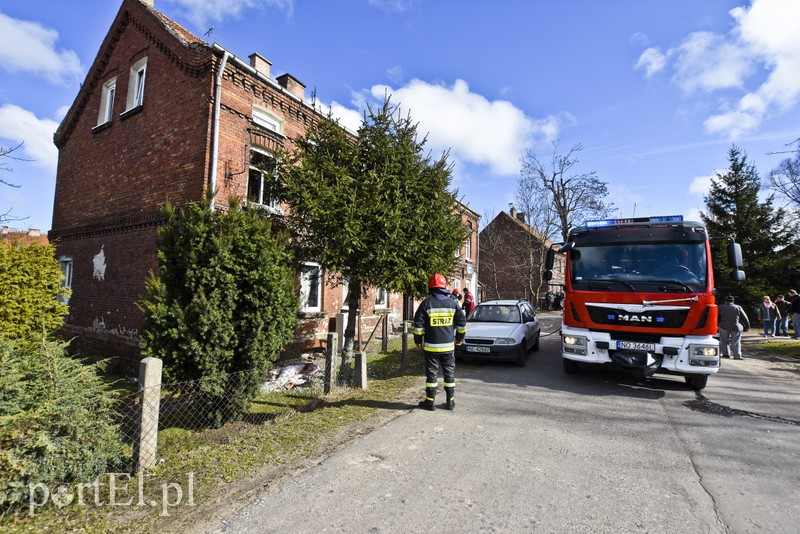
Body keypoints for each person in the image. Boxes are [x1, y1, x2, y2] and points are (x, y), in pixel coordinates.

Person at [413, 274, 467, 411]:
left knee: (432, 374)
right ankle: (450, 402)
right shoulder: (452, 303)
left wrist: (418, 340)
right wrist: (460, 338)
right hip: (448, 347)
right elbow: (462, 322)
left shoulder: (426, 303)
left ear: (430, 288)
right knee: (449, 373)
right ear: (444, 287)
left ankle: (430, 402)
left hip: (431, 348)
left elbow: (418, 324)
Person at [718, 295, 750, 360]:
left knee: (724, 341)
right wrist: (747, 326)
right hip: (736, 327)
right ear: (733, 301)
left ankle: (726, 354)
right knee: (736, 341)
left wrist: (718, 324)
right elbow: (745, 317)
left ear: (725, 301)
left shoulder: (721, 307)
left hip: (723, 326)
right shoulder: (738, 307)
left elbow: (717, 317)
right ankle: (737, 356)